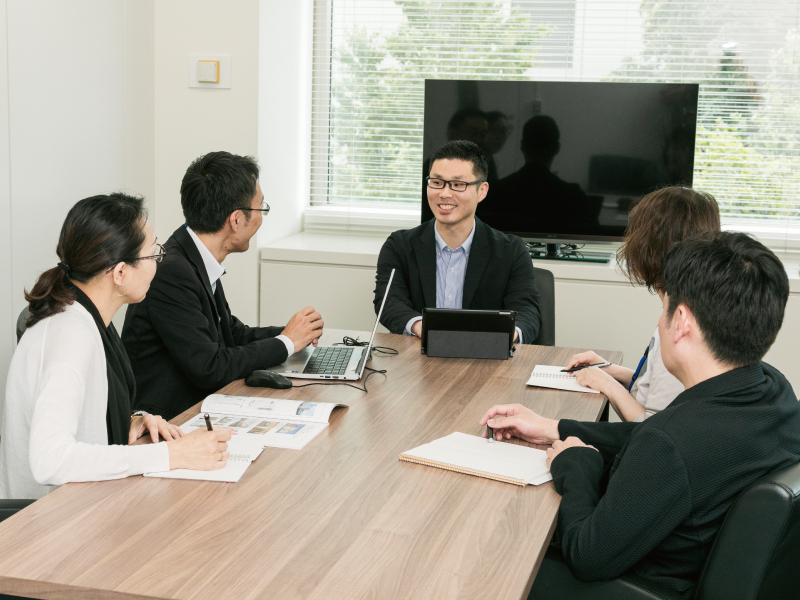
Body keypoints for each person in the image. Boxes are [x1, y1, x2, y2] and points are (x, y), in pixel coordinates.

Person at [479, 231, 800, 598]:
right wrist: (553, 427)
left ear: (681, 322)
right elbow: (655, 442)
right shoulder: (772, 390)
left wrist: (576, 465)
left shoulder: (671, 443)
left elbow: (587, 557)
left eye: (663, 309)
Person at [0, 194, 231, 501]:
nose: (159, 264)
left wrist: (128, 418)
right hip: (49, 528)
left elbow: (83, 410)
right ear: (120, 273)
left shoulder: (87, 316)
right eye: (154, 254)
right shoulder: (70, 337)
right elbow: (49, 460)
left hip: (80, 508)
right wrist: (170, 455)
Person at [122, 152, 324, 420]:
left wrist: (296, 335)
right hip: (167, 421)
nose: (262, 219)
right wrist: (286, 341)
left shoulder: (193, 254)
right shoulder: (172, 272)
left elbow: (230, 333)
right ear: (237, 220)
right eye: (260, 209)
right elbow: (210, 368)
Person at [565, 186, 720, 421]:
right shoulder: (694, 305)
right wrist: (610, 370)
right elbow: (656, 387)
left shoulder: (680, 329)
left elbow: (651, 427)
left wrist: (607, 384)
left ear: (650, 246)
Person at [376, 140, 541, 343]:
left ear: (482, 191)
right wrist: (424, 328)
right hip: (418, 359)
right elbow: (388, 302)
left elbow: (528, 312)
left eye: (458, 184)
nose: (445, 193)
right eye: (437, 182)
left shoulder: (511, 250)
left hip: (486, 360)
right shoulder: (399, 246)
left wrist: (503, 336)